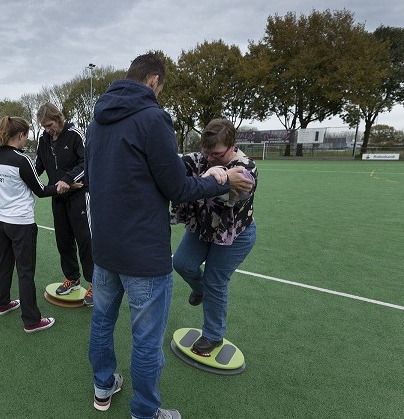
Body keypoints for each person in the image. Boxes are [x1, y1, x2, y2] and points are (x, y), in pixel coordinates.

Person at [85, 53, 253, 419]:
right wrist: (218, 178)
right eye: (161, 87)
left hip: (105, 246)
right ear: (153, 81)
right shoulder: (153, 117)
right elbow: (177, 187)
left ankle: (103, 385)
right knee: (145, 339)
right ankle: (145, 412)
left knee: (102, 321)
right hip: (143, 251)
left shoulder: (95, 121)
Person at [171, 119, 258, 356]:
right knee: (181, 263)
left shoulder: (246, 168)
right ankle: (200, 289)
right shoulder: (200, 160)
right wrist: (211, 173)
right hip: (203, 228)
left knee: (215, 281)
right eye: (206, 152)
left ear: (232, 145)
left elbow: (229, 197)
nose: (209, 158)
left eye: (217, 154)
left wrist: (209, 179)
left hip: (234, 235)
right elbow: (171, 169)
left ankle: (213, 335)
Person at [0, 116, 74, 333]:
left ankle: (2, 303)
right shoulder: (21, 159)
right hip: (21, 223)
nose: (27, 140)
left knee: (4, 264)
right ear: (20, 135)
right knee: (25, 271)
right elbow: (41, 190)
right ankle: (31, 320)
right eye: (26, 136)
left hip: (1, 220)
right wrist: (66, 185)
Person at [35, 103, 95, 306]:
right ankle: (72, 278)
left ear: (59, 119)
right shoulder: (43, 140)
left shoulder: (75, 134)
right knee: (63, 240)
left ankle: (95, 283)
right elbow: (38, 166)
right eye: (44, 126)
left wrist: (68, 179)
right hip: (58, 197)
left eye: (49, 124)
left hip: (79, 194)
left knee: (85, 240)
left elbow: (87, 162)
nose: (47, 129)